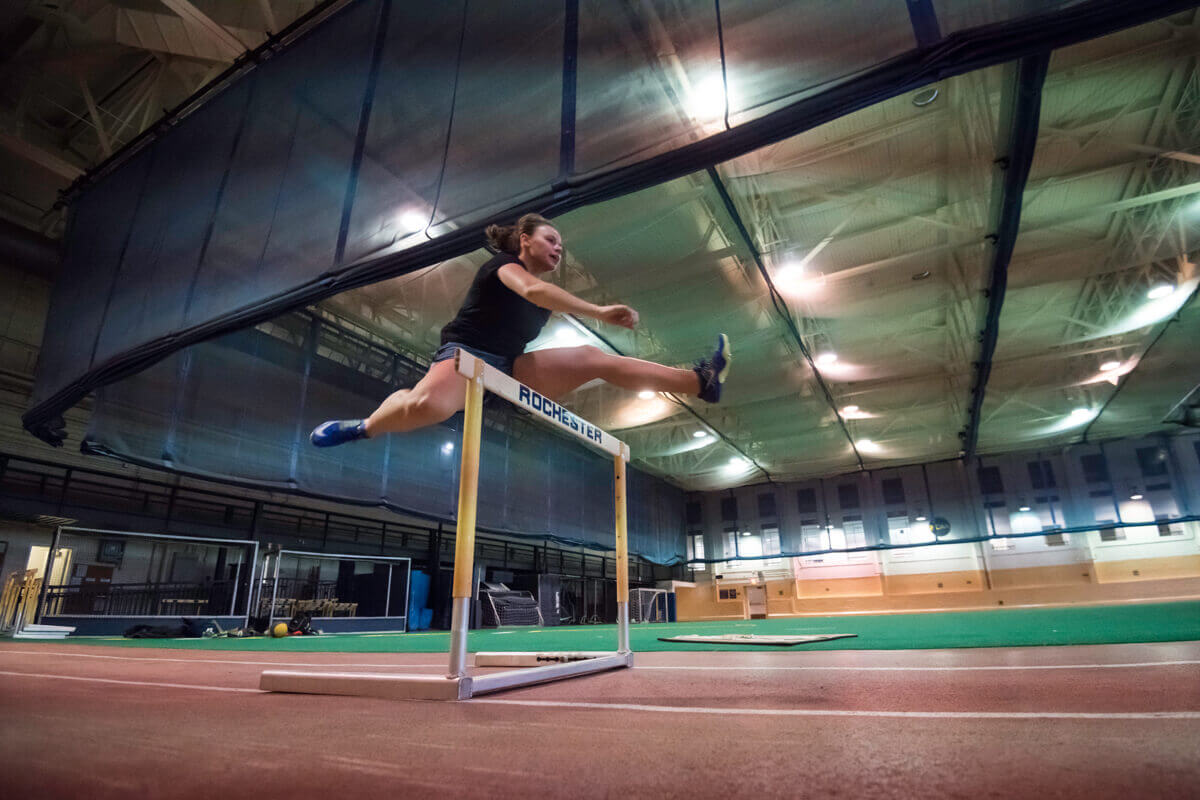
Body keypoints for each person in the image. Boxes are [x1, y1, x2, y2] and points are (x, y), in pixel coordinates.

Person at [310, 213, 729, 447]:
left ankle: (700, 381)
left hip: (509, 369)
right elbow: (533, 289)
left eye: (561, 246)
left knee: (591, 357)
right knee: (428, 406)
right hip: (465, 356)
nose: (558, 249)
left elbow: (542, 300)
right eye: (551, 239)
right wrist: (599, 311)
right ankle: (364, 427)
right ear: (524, 240)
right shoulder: (503, 268)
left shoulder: (544, 294)